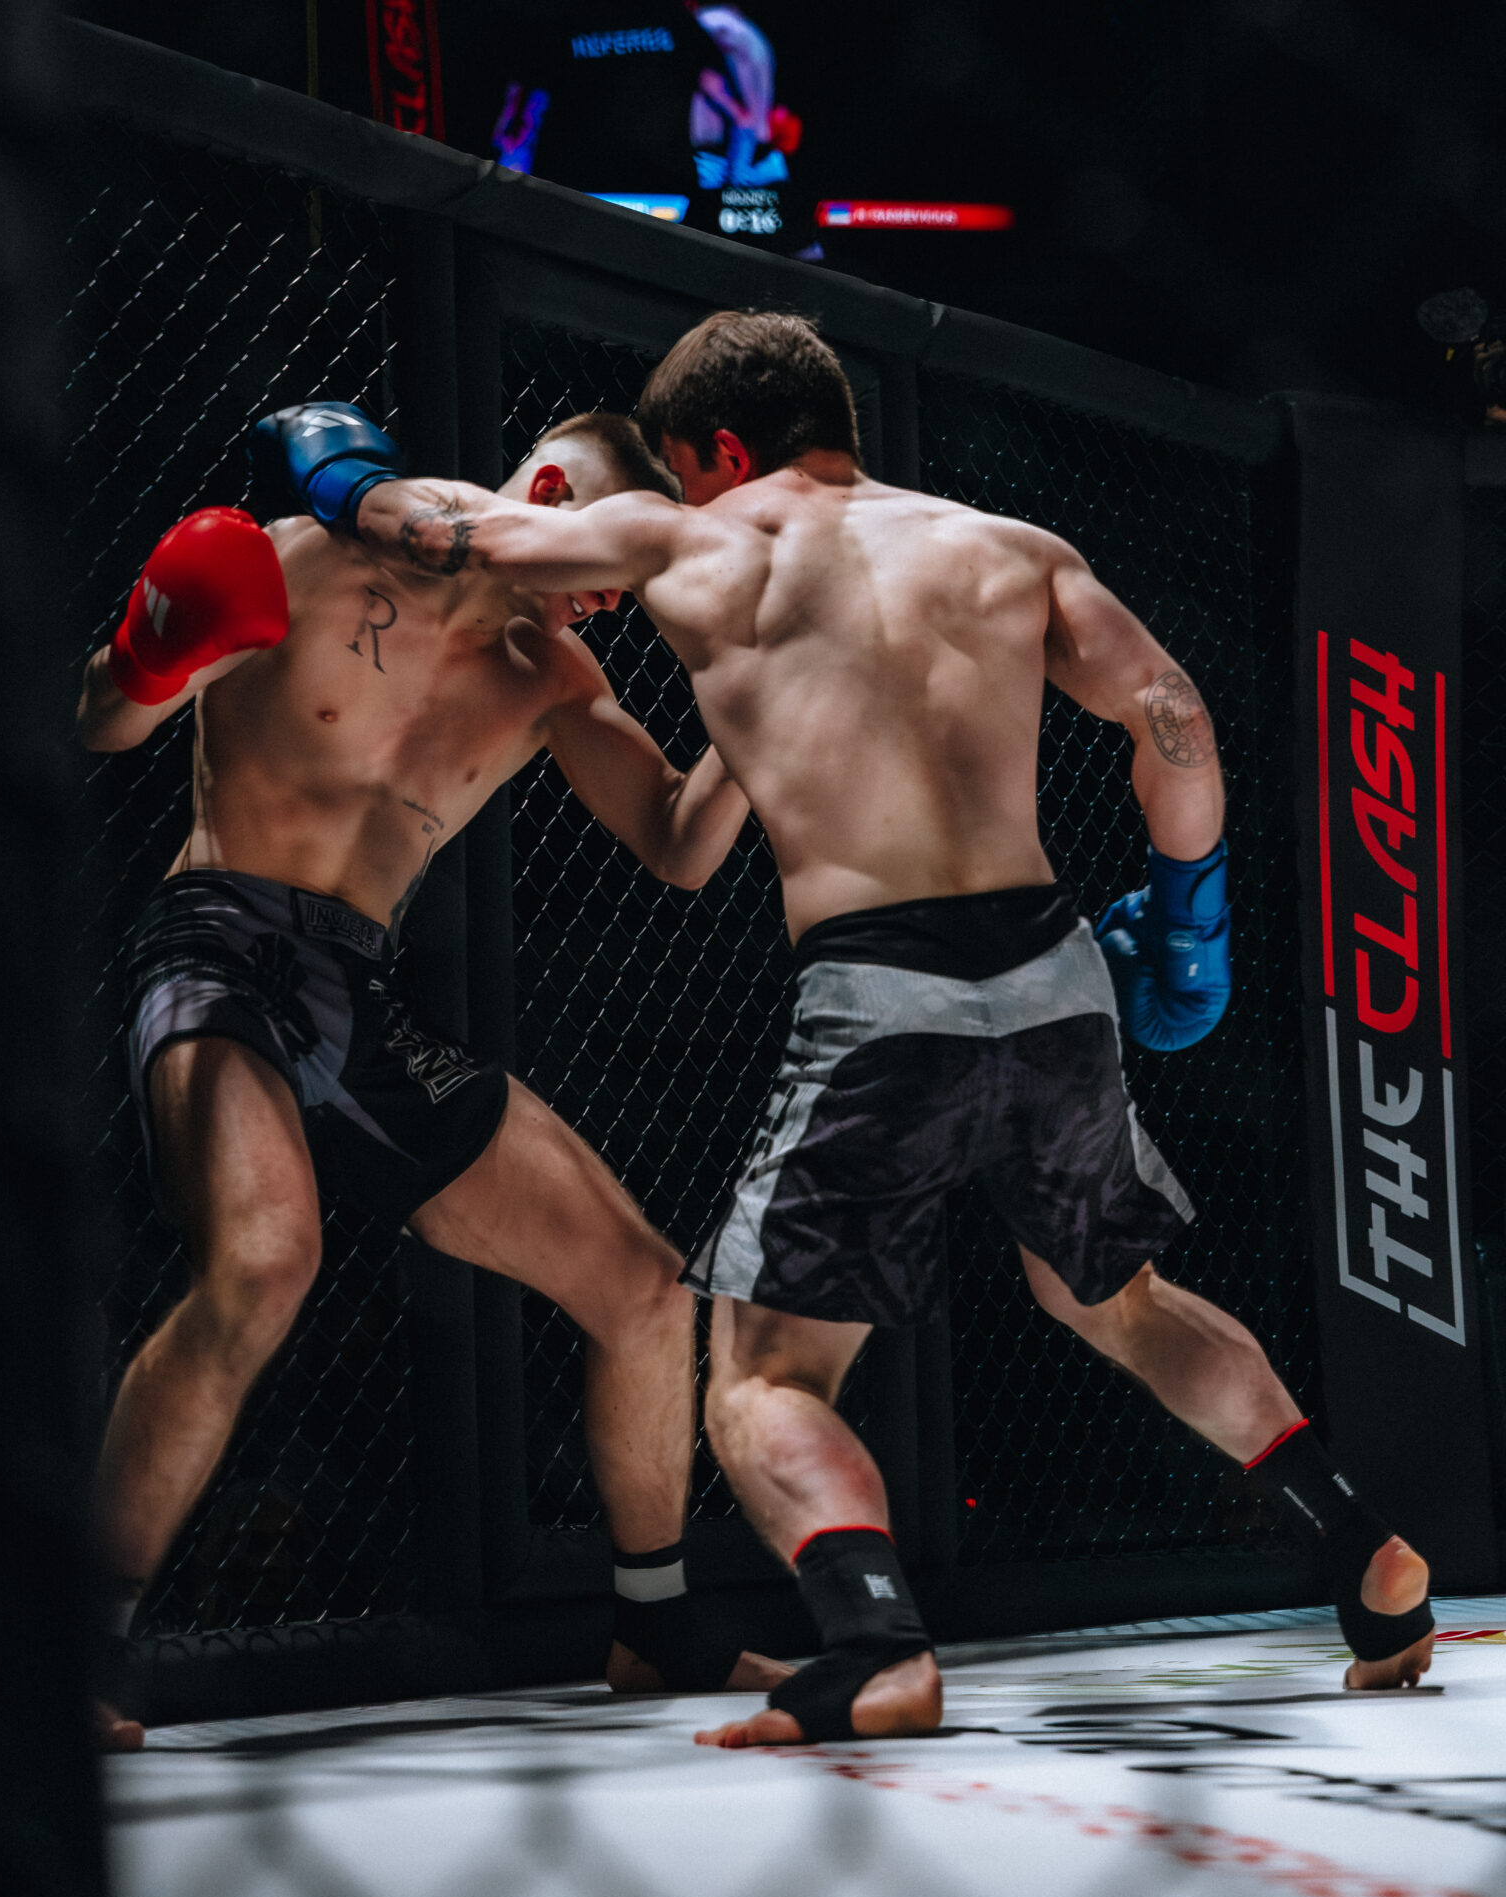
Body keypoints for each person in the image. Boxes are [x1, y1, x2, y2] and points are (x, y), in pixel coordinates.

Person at [288, 314, 1435, 1746]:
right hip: (1056, 971)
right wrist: (1191, 913)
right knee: (1115, 1300)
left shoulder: (691, 537)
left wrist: (337, 475)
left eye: (685, 468)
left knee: (762, 1371)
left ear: (717, 449)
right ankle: (1361, 1550)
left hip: (885, 989)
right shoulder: (1009, 547)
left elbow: (460, 539)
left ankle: (878, 1644)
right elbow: (1168, 709)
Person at [79, 407, 787, 1749]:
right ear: (554, 492)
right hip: (216, 943)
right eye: (609, 564)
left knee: (645, 1291)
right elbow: (104, 721)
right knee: (263, 1262)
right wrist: (147, 646)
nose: (611, 600)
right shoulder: (308, 554)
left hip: (357, 992)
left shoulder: (552, 674)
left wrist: (762, 717)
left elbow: (678, 846)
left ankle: (654, 1626)